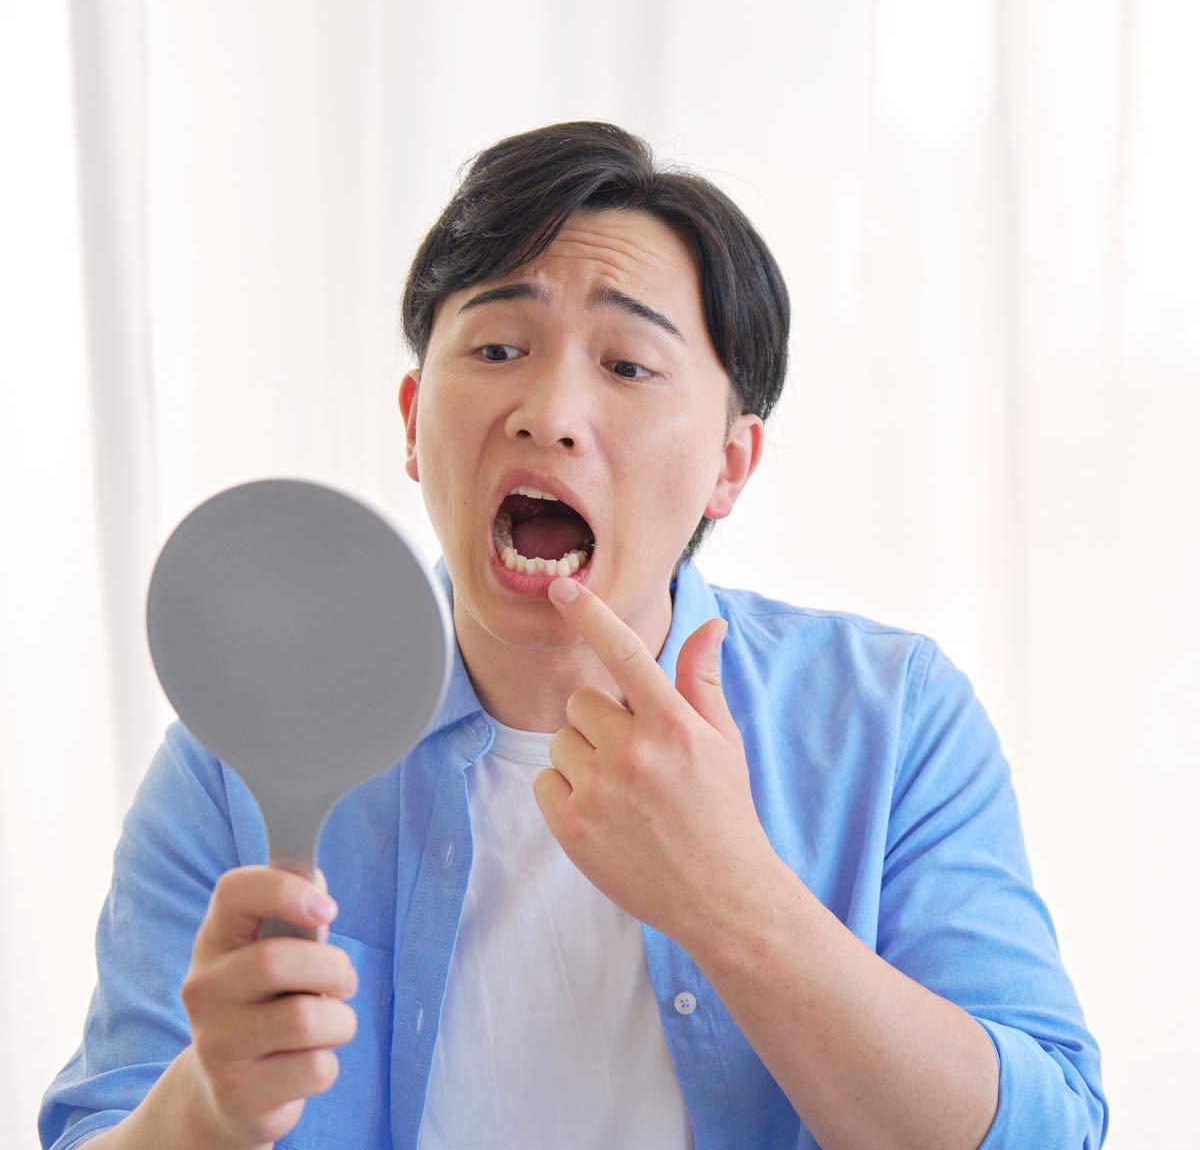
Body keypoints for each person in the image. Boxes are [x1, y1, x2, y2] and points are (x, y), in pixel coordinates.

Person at [40, 121, 1108, 1150]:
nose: (548, 411)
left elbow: (1047, 1130)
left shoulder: (891, 722)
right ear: (413, 421)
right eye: (499, 347)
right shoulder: (241, 759)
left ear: (732, 465)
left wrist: (736, 898)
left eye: (628, 366)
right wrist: (206, 1112)